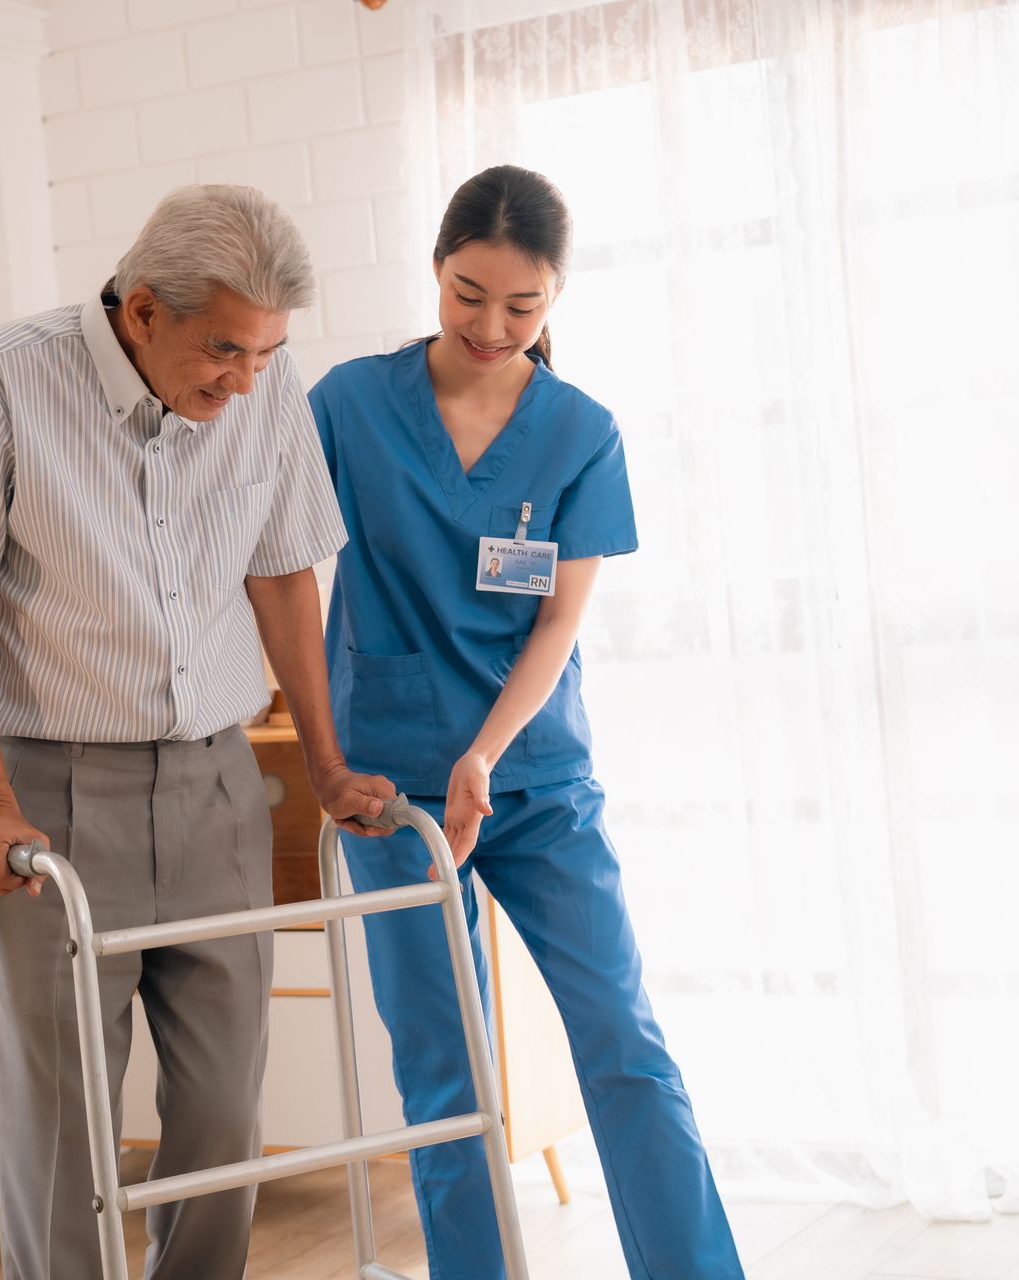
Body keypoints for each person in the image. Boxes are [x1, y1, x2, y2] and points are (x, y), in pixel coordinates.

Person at [0, 184, 395, 1280]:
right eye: (225, 348)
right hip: (57, 798)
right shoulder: (3, 378)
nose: (244, 379)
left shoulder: (266, 393)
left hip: (218, 787)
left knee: (222, 1107)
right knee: (65, 1118)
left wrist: (326, 762)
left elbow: (283, 573)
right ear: (140, 311)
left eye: (266, 354)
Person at [310, 165, 745, 1279]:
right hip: (389, 793)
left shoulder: (581, 433)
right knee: (443, 1068)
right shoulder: (349, 406)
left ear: (556, 297)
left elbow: (557, 624)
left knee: (623, 1043)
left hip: (534, 778)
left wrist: (485, 753)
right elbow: (268, 554)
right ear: (436, 268)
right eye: (468, 294)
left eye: (524, 305)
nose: (491, 326)